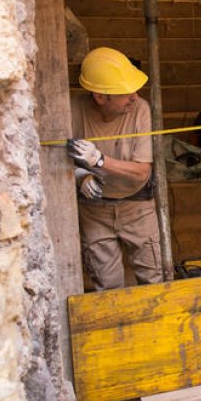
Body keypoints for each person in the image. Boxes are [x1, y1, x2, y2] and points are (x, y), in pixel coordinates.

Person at [67, 46, 163, 291]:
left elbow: (143, 171)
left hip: (137, 207)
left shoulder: (140, 109)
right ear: (100, 96)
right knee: (107, 286)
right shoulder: (71, 109)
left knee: (154, 278)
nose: (134, 96)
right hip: (94, 211)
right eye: (125, 92)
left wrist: (99, 161)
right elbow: (56, 158)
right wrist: (80, 176)